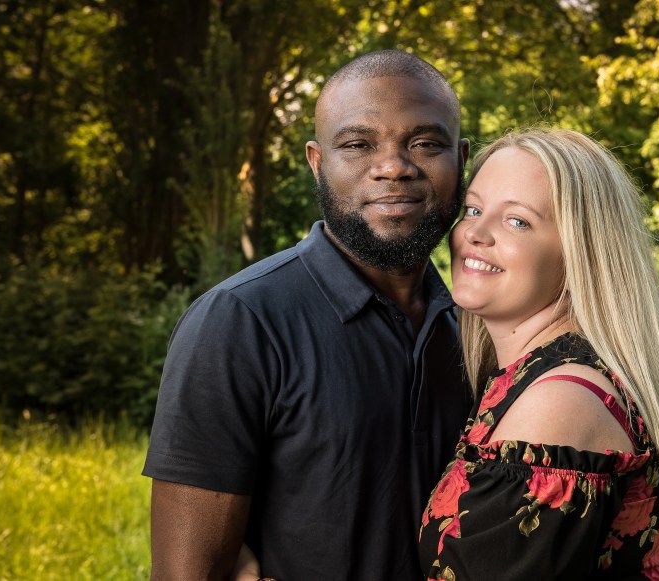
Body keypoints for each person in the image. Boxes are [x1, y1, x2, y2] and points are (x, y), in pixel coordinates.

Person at [142, 50, 472, 580]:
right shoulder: (238, 322)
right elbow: (187, 573)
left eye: (426, 144)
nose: (393, 167)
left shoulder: (475, 330)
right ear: (318, 162)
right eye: (358, 145)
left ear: (461, 159)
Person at [416, 128, 659, 579]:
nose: (474, 232)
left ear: (582, 254)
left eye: (517, 221)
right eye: (473, 209)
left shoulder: (558, 407)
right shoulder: (536, 377)